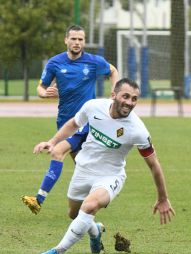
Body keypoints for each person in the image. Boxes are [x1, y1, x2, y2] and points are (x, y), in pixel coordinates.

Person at [36, 78, 175, 254]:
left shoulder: (138, 130)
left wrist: (163, 197)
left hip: (111, 176)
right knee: (74, 214)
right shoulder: (93, 106)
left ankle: (57, 251)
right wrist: (52, 142)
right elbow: (73, 124)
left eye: (134, 99)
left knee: (90, 206)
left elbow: (154, 164)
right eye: (125, 96)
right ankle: (95, 231)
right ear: (113, 95)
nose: (129, 102)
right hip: (83, 169)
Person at [21, 24, 119, 214]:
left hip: (87, 122)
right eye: (73, 39)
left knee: (58, 152)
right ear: (66, 40)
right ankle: (98, 195)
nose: (77, 42)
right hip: (65, 122)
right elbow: (41, 87)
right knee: (82, 165)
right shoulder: (55, 63)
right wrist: (43, 93)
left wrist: (113, 94)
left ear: (84, 41)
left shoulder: (93, 62)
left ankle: (38, 199)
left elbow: (113, 71)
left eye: (80, 39)